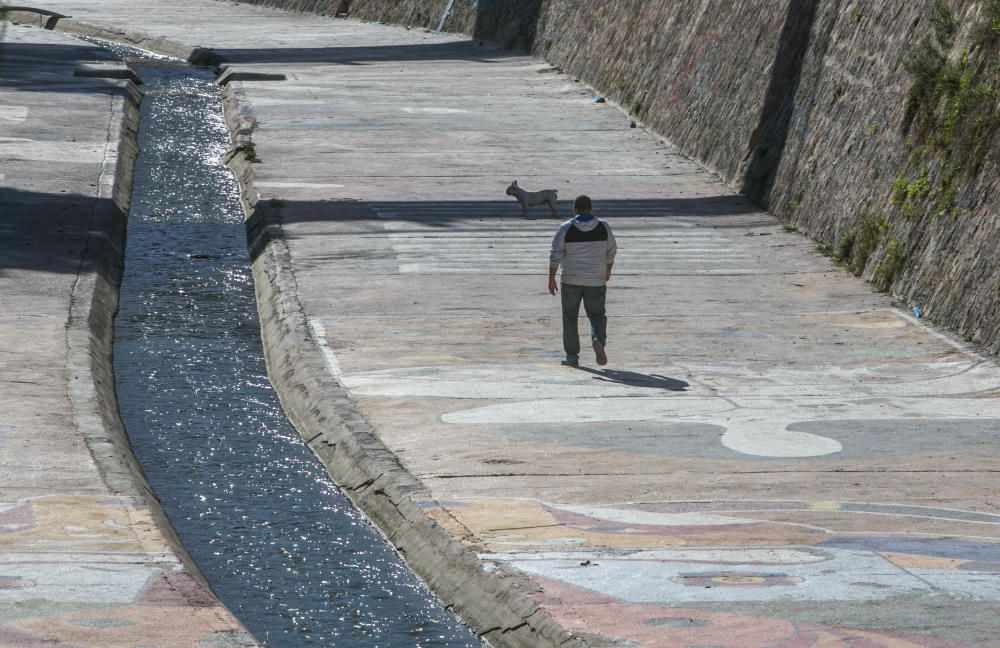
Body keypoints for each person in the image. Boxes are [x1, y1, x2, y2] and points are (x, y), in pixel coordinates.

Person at [548, 195, 617, 367]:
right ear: (591, 208)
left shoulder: (565, 228)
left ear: (574, 209)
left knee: (570, 318)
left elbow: (555, 254)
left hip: (571, 280)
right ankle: (597, 339)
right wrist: (608, 270)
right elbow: (611, 251)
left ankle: (572, 357)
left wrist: (551, 278)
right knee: (597, 315)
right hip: (596, 280)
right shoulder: (603, 226)